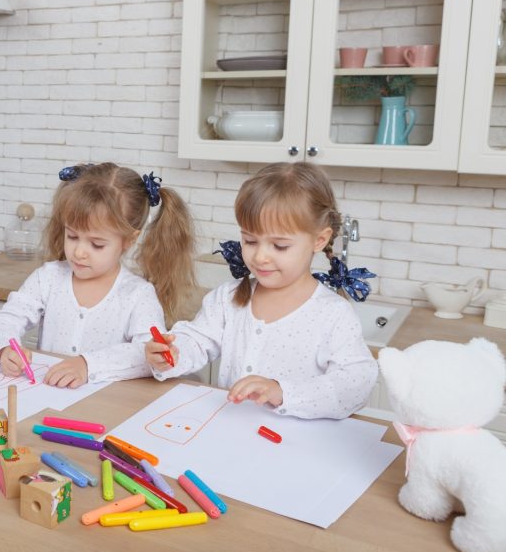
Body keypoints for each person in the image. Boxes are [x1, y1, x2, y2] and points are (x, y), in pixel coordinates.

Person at [145, 161, 378, 420]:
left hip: (297, 448)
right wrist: (172, 355)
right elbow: (197, 341)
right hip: (230, 435)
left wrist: (282, 392)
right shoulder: (228, 298)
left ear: (319, 240)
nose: (261, 257)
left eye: (279, 246)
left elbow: (356, 385)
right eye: (250, 241)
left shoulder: (333, 314)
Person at [0, 162, 199, 388]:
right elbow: (6, 319)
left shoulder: (138, 294)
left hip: (106, 408)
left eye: (96, 244)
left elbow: (147, 354)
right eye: (72, 236)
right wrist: (4, 349)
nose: (79, 252)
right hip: (47, 397)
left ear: (129, 240)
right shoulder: (47, 278)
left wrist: (88, 365)